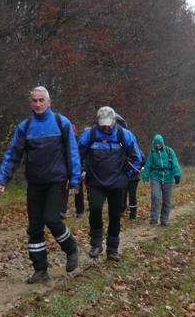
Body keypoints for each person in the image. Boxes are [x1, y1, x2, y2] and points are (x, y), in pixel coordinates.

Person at [0, 86, 81, 284]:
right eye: (34, 100)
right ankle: (40, 269)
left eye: (41, 100)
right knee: (35, 227)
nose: (38, 104)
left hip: (57, 182)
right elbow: (13, 154)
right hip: (35, 183)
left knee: (52, 219)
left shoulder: (62, 123)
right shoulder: (25, 127)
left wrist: (75, 179)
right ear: (30, 103)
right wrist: (4, 179)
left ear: (49, 102)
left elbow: (72, 153)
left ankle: (71, 249)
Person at [78, 106, 143, 261]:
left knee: (115, 215)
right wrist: (79, 172)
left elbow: (137, 159)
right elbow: (77, 156)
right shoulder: (90, 135)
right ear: (97, 121)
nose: (106, 127)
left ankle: (112, 250)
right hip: (96, 181)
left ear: (114, 121)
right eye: (103, 124)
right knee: (94, 208)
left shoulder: (124, 135)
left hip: (117, 183)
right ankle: (96, 243)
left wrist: (126, 175)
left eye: (108, 123)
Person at [141, 134, 182, 226]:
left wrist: (177, 175)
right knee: (155, 197)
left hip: (168, 178)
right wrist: (145, 178)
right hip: (156, 176)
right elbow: (148, 166)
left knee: (167, 200)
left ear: (162, 143)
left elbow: (175, 163)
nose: (157, 145)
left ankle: (164, 219)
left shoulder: (169, 151)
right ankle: (154, 218)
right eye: (156, 143)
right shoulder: (152, 154)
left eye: (159, 143)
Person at [114, 114, 144, 221]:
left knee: (132, 195)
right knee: (121, 194)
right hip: (122, 172)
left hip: (132, 173)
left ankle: (133, 215)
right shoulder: (116, 141)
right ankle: (120, 211)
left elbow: (139, 158)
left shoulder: (131, 138)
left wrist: (134, 169)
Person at [61, 124, 85, 219]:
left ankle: (79, 210)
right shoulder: (62, 142)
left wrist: (83, 170)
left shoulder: (80, 142)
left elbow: (82, 157)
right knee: (65, 189)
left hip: (76, 168)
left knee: (77, 190)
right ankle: (63, 210)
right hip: (66, 168)